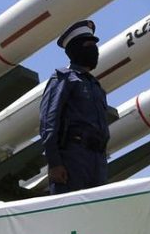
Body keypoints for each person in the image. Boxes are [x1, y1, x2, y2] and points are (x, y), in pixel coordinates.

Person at [39, 20, 110, 195]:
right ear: (76, 48)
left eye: (95, 45)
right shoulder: (63, 79)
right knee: (70, 208)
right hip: (73, 158)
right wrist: (55, 163)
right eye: (89, 45)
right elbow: (49, 123)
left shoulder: (96, 86)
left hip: (97, 161)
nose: (95, 50)